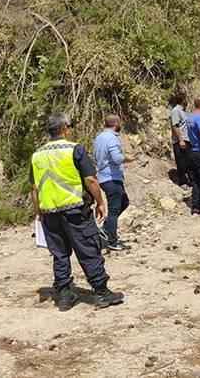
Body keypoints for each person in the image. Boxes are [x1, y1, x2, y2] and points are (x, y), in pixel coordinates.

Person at [30, 112, 124, 311]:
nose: (71, 130)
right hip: (75, 211)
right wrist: (100, 202)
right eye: (70, 126)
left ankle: (64, 294)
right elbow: (90, 180)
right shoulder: (74, 149)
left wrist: (38, 213)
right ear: (65, 128)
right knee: (89, 250)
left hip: (49, 213)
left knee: (60, 254)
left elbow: (34, 188)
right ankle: (101, 292)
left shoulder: (37, 154)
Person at [94, 114, 136, 251]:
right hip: (111, 178)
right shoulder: (112, 139)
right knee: (113, 210)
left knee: (124, 202)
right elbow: (117, 158)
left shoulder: (99, 138)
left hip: (104, 177)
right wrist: (128, 158)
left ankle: (106, 229)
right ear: (116, 123)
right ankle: (112, 240)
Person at [170, 92, 193, 189]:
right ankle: (182, 181)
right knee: (181, 161)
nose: (187, 101)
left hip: (188, 140)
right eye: (186, 98)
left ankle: (191, 180)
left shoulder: (185, 112)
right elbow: (175, 126)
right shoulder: (176, 110)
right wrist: (180, 140)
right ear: (183, 99)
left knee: (189, 161)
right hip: (181, 140)